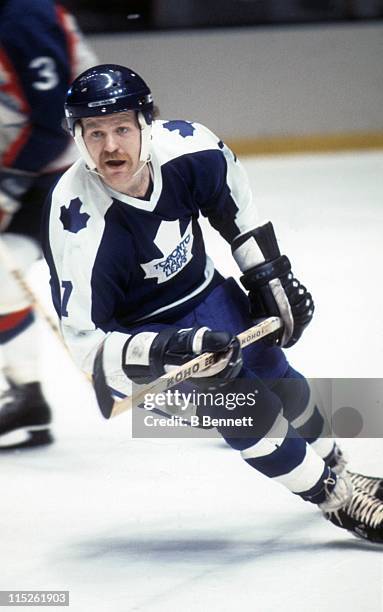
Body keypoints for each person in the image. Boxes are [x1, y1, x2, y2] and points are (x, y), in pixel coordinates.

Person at [42, 63, 382, 543]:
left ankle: (338, 468)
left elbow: (236, 208)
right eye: (94, 132)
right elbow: (87, 348)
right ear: (77, 138)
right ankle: (337, 498)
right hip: (147, 335)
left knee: (280, 379)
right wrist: (164, 353)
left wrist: (269, 277)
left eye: (122, 128)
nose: (111, 146)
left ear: (147, 124)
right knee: (243, 408)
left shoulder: (190, 149)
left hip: (206, 292)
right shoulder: (74, 221)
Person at [0, 0, 97, 448]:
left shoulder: (23, 18)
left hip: (84, 167)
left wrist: (5, 191)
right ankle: (27, 397)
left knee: (132, 289)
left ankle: (252, 393)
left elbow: (53, 120)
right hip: (35, 173)